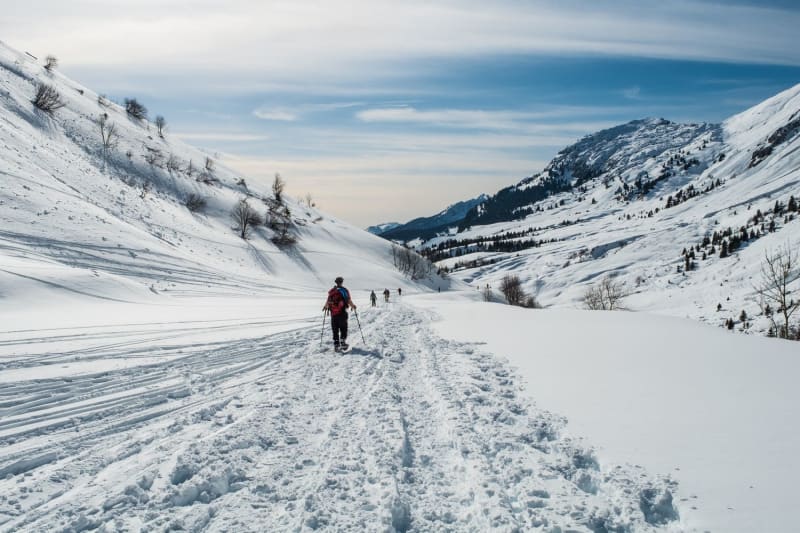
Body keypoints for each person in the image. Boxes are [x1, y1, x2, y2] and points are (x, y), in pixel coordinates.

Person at [324, 276, 357, 352]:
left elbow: (328, 301)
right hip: (342, 313)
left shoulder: (332, 291)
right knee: (343, 328)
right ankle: (343, 342)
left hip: (333, 314)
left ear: (336, 282)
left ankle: (336, 344)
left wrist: (325, 307)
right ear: (341, 282)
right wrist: (353, 306)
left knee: (335, 329)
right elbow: (348, 300)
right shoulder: (344, 290)